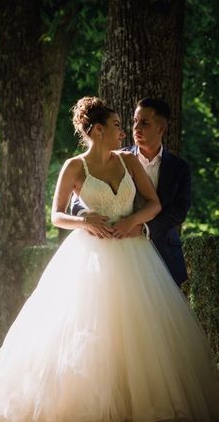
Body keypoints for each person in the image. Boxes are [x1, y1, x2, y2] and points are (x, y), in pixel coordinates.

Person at [0, 97, 219, 422]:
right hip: (91, 254)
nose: (126, 132)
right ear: (97, 130)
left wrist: (132, 225)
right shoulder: (76, 166)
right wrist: (87, 220)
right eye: (119, 125)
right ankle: (92, 405)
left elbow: (157, 205)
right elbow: (59, 213)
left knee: (142, 330)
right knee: (90, 328)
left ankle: (146, 405)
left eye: (136, 123)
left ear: (160, 126)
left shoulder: (130, 163)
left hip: (134, 252)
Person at [71, 98, 191, 286]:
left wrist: (142, 228)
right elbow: (78, 198)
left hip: (163, 249)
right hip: (116, 249)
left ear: (161, 128)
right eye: (135, 121)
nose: (136, 128)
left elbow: (179, 211)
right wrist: (87, 218)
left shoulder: (179, 168)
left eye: (144, 123)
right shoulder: (116, 158)